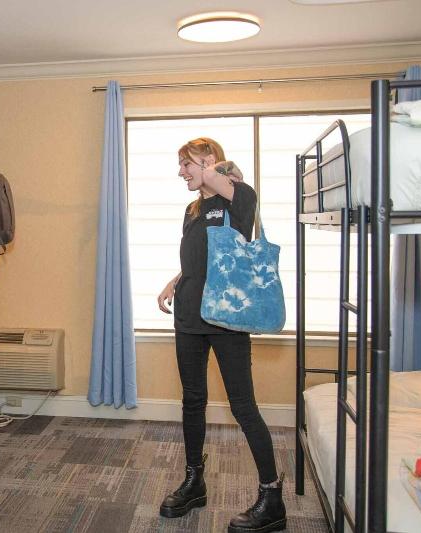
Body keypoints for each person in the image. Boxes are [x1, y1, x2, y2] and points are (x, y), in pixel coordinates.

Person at [156, 137, 286, 533]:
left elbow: (235, 233)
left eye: (187, 163)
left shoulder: (240, 199)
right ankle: (194, 481)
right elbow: (204, 256)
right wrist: (176, 279)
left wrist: (217, 170)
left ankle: (272, 497)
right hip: (189, 317)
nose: (181, 172)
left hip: (227, 320)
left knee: (243, 407)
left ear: (209, 160)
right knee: (192, 400)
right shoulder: (193, 209)